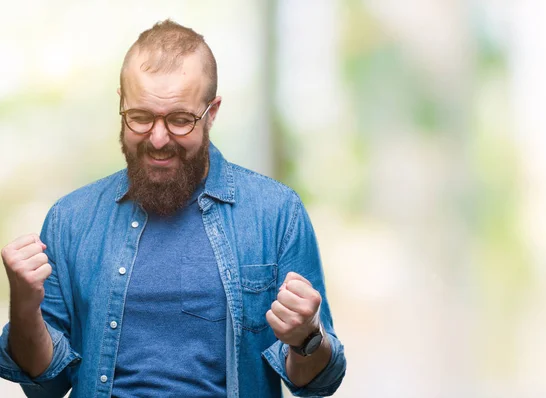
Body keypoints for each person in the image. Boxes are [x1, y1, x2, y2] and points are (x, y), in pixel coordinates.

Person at [0, 20, 346, 398]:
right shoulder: (70, 220)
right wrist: (24, 310)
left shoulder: (277, 214)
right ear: (121, 104)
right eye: (141, 117)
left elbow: (316, 382)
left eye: (180, 120)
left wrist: (307, 338)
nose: (159, 138)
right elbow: (45, 386)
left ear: (211, 113)